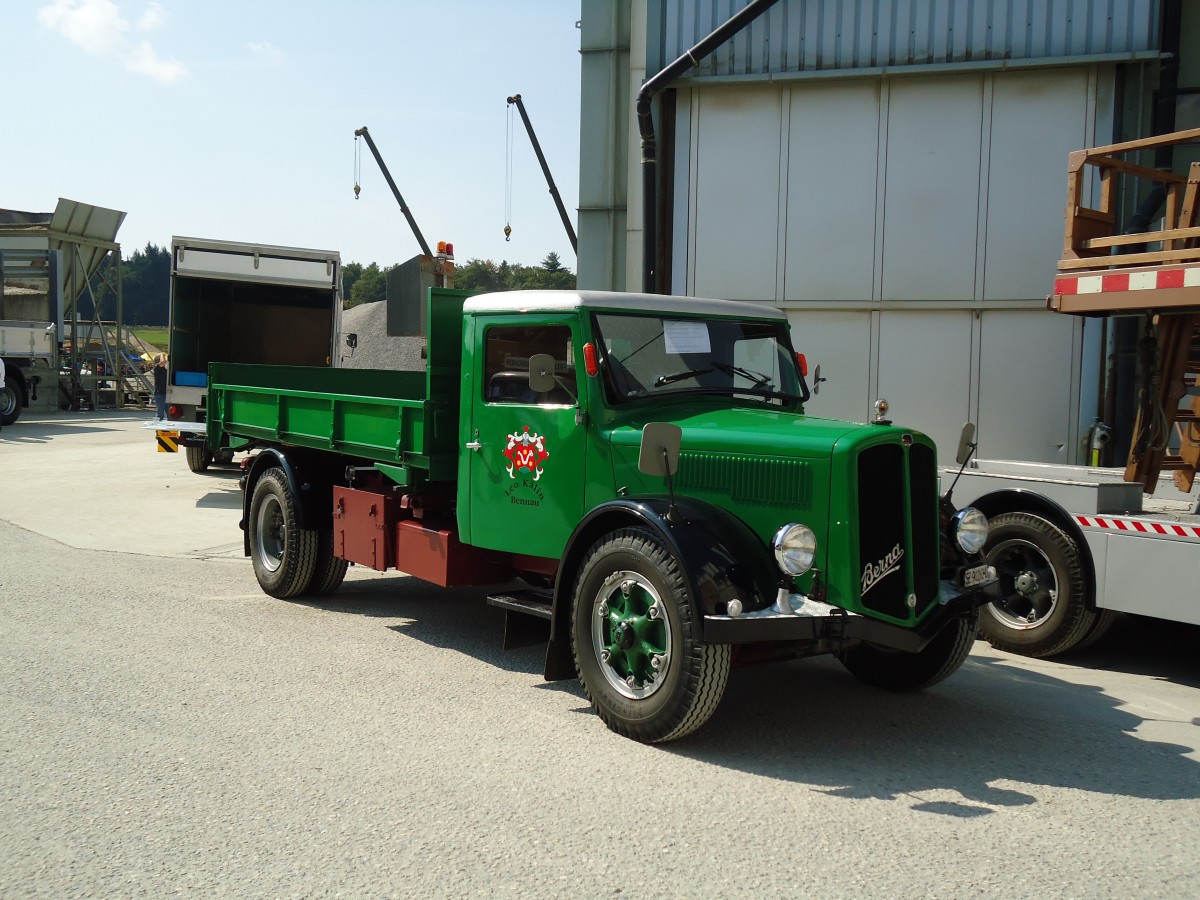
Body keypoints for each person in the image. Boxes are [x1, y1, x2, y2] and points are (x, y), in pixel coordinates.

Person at [152, 353, 168, 421]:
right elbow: (163, 362)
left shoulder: (164, 368)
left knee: (169, 414)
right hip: (160, 394)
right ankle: (156, 427)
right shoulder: (157, 367)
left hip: (166, 393)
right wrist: (162, 354)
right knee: (160, 415)